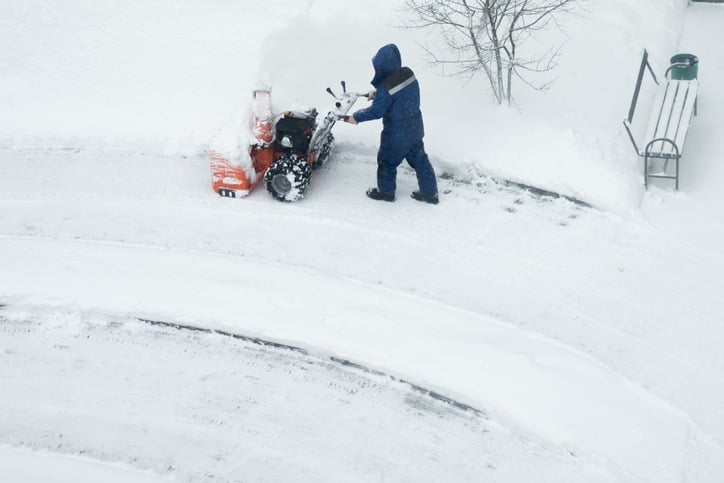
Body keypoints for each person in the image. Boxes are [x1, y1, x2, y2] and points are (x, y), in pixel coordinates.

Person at [345, 43, 439, 204]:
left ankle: (386, 192)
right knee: (421, 160)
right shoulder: (408, 74)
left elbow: (376, 111)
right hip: (415, 128)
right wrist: (377, 94)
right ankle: (430, 194)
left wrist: (356, 117)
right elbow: (401, 96)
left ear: (383, 67)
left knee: (387, 162)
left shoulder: (385, 88)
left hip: (396, 134)